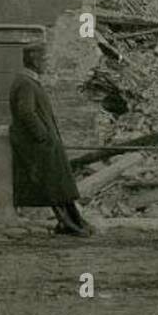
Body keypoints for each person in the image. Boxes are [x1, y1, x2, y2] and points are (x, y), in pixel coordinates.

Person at [8, 43, 93, 237]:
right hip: (39, 146)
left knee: (59, 185)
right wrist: (44, 137)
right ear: (34, 60)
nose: (46, 64)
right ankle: (70, 225)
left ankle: (74, 222)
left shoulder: (28, 82)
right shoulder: (25, 83)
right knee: (54, 186)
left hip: (44, 144)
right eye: (44, 60)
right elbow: (26, 113)